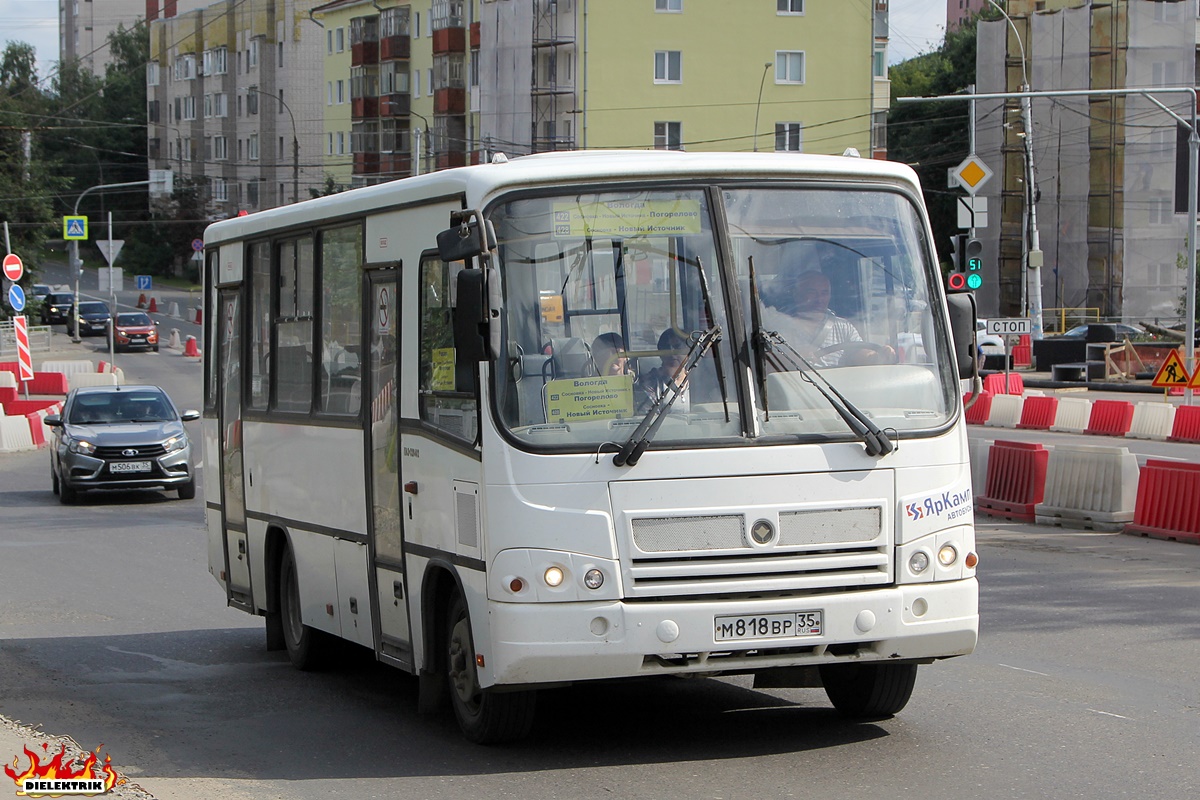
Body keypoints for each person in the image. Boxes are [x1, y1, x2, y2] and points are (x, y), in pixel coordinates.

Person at [762, 269, 870, 367]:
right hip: (795, 381)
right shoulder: (778, 327)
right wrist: (794, 358)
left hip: (837, 382)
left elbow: (859, 353)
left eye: (824, 293)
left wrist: (872, 356)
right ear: (796, 294)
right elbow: (766, 365)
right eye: (812, 292)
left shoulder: (843, 327)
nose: (819, 299)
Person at [636, 328, 691, 412]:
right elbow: (650, 416)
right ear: (660, 353)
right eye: (667, 348)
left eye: (677, 347)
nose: (672, 353)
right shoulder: (649, 383)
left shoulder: (699, 381)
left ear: (688, 350)